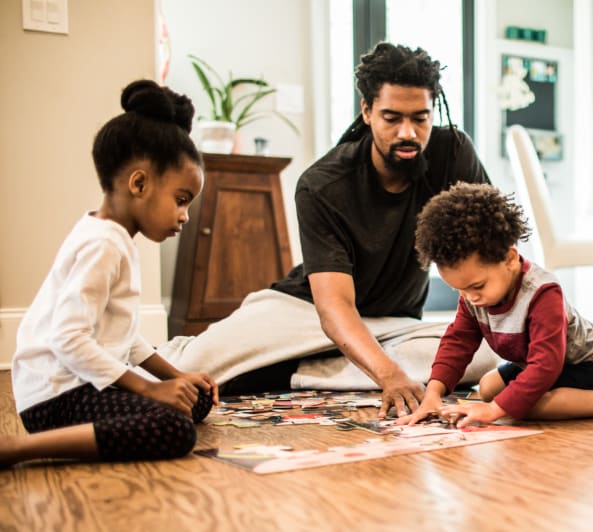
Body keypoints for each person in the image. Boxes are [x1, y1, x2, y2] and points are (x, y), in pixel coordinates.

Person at [157, 42, 491, 419]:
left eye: (420, 118)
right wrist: (390, 375)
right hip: (304, 312)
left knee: (488, 354)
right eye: (392, 118)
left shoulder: (453, 153)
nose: (408, 133)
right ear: (366, 111)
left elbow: (492, 248)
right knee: (193, 365)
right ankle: (325, 360)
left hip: (395, 323)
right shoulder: (322, 184)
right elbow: (334, 308)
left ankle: (301, 371)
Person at [1, 80, 218, 468]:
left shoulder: (114, 237)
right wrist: (150, 390)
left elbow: (120, 335)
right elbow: (68, 339)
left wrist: (175, 375)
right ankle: (17, 449)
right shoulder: (103, 244)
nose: (185, 216)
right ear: (139, 183)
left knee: (194, 399)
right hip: (57, 397)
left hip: (78, 385)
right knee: (174, 429)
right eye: (181, 201)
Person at [397, 182, 593, 428]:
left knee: (525, 407)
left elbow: (546, 364)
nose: (469, 297)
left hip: (590, 367)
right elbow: (458, 341)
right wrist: (434, 392)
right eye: (459, 289)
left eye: (477, 287)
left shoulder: (543, 293)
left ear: (509, 259)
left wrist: (495, 410)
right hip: (540, 364)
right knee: (488, 388)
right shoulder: (472, 296)